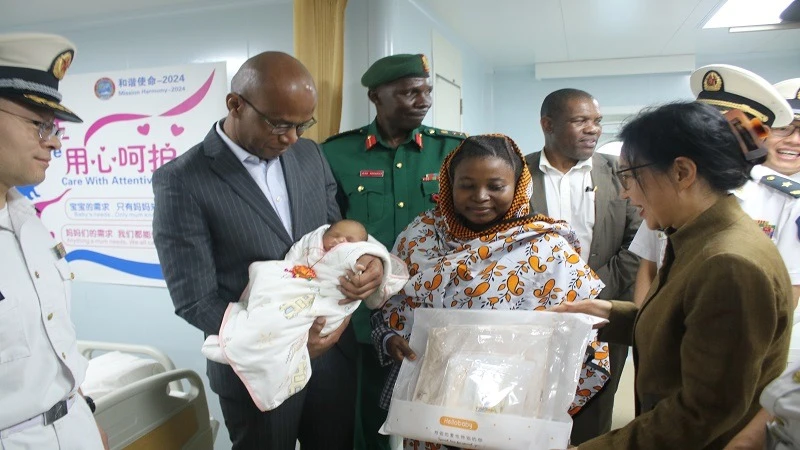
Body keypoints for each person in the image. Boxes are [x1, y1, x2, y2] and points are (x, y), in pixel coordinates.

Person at [152, 51, 384, 450]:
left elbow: (335, 237)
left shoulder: (309, 156)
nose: (292, 138)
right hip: (256, 370)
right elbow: (194, 300)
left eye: (301, 125)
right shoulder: (183, 180)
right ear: (235, 104)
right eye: (279, 125)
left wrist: (368, 263)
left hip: (331, 357)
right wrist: (282, 342)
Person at [554, 101, 794, 449]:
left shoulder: (729, 262)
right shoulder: (699, 235)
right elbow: (689, 322)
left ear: (682, 172)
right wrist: (609, 314)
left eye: (631, 176)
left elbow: (702, 411)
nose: (625, 192)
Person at [372, 134, 611, 449]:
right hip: (434, 409)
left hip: (515, 410)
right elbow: (390, 307)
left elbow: (582, 336)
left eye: (496, 186)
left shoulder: (547, 248)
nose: (480, 196)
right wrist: (391, 340)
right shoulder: (420, 237)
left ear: (518, 187)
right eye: (467, 185)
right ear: (448, 184)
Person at [321, 53, 466, 450]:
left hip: (436, 310)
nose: (422, 99)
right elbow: (326, 233)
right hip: (366, 312)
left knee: (442, 417)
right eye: (408, 92)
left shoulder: (452, 152)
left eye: (426, 90)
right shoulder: (336, 154)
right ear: (376, 97)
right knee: (367, 417)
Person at [0, 33, 107, 449]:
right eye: (39, 124)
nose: (55, 141)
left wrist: (81, 415)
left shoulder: (30, 223)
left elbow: (54, 346)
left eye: (55, 127)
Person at [524, 88, 642, 443]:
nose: (593, 129)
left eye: (597, 121)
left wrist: (590, 291)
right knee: (533, 408)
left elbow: (638, 242)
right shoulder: (518, 173)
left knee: (595, 416)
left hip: (602, 316)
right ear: (548, 125)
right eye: (580, 121)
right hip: (535, 315)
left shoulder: (619, 172)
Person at [629, 66, 799, 307]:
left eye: (725, 130)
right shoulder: (669, 188)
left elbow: (786, 293)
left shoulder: (785, 200)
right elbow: (649, 269)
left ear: (756, 136)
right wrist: (643, 334)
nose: (708, 138)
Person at [201, 220, 409, 412]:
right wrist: (286, 274)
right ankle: (237, 344)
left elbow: (371, 262)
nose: (340, 241)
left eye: (349, 241)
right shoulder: (312, 241)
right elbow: (293, 256)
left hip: (328, 309)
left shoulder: (357, 252)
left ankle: (244, 351)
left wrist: (373, 262)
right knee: (271, 310)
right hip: (295, 288)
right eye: (335, 235)